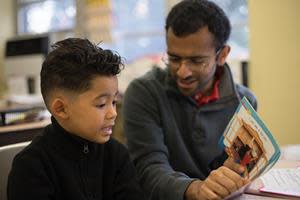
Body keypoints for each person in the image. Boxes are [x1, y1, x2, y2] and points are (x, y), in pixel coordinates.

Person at [123, 0, 257, 199]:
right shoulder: (143, 93)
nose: (183, 72)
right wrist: (196, 189)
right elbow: (148, 169)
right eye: (174, 59)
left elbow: (235, 170)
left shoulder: (245, 103)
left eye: (196, 61)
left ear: (222, 55)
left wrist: (232, 175)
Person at [7, 38, 145, 200]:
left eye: (113, 102)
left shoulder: (116, 156)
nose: (113, 113)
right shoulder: (31, 167)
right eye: (101, 104)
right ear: (61, 109)